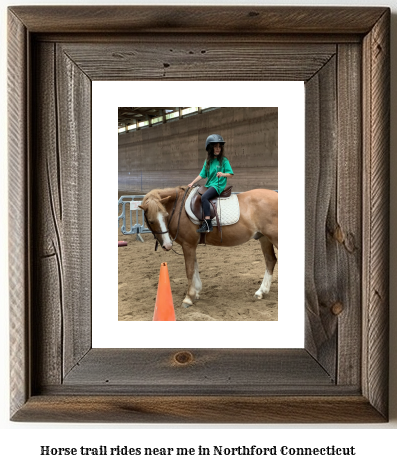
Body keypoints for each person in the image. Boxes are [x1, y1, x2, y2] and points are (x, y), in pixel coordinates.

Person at [188, 134, 234, 233]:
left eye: (219, 146)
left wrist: (223, 174)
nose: (218, 149)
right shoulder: (207, 161)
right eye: (215, 146)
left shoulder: (224, 160)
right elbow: (201, 175)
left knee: (204, 197)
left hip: (218, 186)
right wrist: (192, 183)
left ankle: (208, 224)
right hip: (209, 185)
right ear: (210, 148)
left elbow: (231, 174)